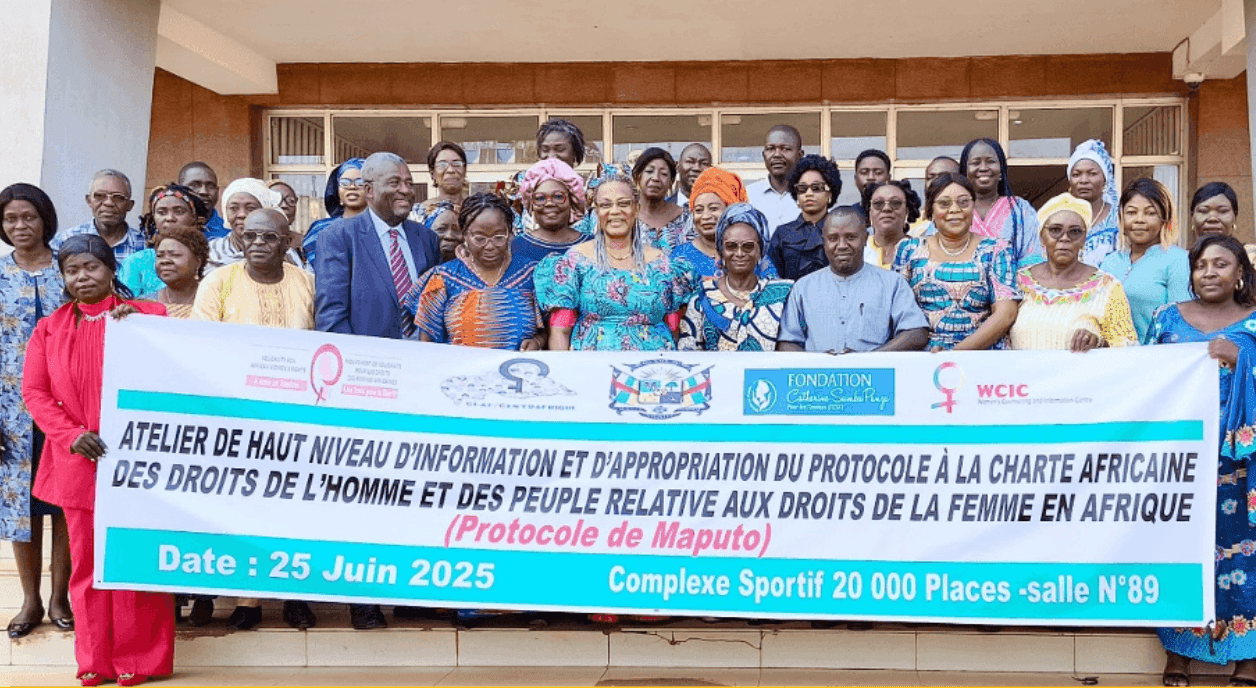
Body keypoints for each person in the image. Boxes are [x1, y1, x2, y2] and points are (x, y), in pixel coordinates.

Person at [22, 234, 172, 687]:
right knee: (86, 565)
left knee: (134, 561)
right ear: (63, 278)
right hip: (78, 461)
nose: (82, 277)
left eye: (91, 267)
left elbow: (174, 372)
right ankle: (93, 659)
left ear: (111, 270)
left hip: (138, 461)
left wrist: (140, 328)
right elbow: (35, 393)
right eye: (72, 271)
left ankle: (139, 659)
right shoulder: (49, 328)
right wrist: (72, 436)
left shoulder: (149, 316)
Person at [1148, 234, 1256, 687]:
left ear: (1240, 273)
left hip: (1241, 466)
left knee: (1247, 558)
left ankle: (1248, 657)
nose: (1209, 272)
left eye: (1221, 264)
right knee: (1179, 550)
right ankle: (1179, 652)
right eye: (1200, 265)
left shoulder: (1254, 323)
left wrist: (1242, 358)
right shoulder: (1166, 319)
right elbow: (1141, 379)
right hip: (1181, 463)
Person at [0, 184, 71, 640]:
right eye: (10, 219)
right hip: (11, 411)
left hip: (67, 405)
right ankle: (31, 600)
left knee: (65, 502)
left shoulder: (70, 264)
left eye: (28, 217)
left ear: (45, 218)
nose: (20, 226)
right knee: (19, 505)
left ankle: (62, 596)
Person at [535, 173, 688, 351]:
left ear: (636, 209)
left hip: (653, 364)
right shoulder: (575, 260)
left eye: (623, 204)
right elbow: (560, 330)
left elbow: (673, 327)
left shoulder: (661, 263)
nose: (615, 211)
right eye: (606, 205)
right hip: (591, 363)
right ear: (597, 212)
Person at [314, 151, 441, 347]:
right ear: (369, 190)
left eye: (409, 183)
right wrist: (356, 359)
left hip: (422, 357)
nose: (405, 190)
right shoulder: (338, 237)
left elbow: (436, 306)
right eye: (394, 183)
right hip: (367, 359)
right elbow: (332, 316)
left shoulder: (426, 238)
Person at [893, 172, 1020, 351]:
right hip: (923, 358)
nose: (954, 209)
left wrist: (955, 354)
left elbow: (1006, 314)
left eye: (963, 202)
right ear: (930, 210)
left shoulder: (996, 249)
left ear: (973, 207)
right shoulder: (908, 250)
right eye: (944, 204)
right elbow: (896, 311)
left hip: (982, 356)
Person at [778, 207, 928, 353]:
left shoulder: (892, 283)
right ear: (824, 242)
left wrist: (867, 360)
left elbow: (916, 332)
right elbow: (786, 343)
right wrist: (819, 363)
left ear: (865, 239)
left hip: (875, 370)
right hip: (819, 371)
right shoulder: (803, 288)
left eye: (851, 237)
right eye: (833, 238)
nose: (842, 246)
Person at [407, 193, 541, 350]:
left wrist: (537, 342)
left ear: (509, 233)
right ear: (464, 234)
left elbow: (550, 328)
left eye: (499, 237)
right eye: (479, 238)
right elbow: (427, 341)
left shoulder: (531, 273)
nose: (490, 246)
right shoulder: (444, 278)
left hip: (518, 365)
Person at [1008, 193, 1137, 351]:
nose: (1064, 238)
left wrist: (1099, 343)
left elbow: (1128, 350)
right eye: (1055, 230)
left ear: (1084, 239)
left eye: (1075, 232)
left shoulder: (1108, 287)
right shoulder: (1016, 283)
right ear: (1042, 236)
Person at [677, 203, 793, 351]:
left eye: (748, 246)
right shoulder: (701, 297)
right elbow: (688, 351)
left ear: (760, 251)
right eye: (731, 246)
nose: (739, 253)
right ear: (721, 251)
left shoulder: (784, 294)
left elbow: (793, 345)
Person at [1099, 178, 1191, 341]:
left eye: (1150, 213)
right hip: (1112, 354)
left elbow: (1180, 323)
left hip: (1158, 353)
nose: (1139, 220)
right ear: (1121, 217)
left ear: (1164, 218)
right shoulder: (1109, 262)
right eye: (1131, 212)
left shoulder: (1178, 260)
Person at [195, 210, 316, 329]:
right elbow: (204, 335)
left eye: (270, 237)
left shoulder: (308, 283)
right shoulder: (217, 282)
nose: (258, 242)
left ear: (287, 243)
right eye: (250, 236)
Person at [672, 168, 777, 296]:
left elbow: (773, 295)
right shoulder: (681, 256)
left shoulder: (753, 253)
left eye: (713, 208)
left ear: (731, 210)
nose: (705, 216)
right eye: (698, 210)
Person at [117, 184, 212, 304]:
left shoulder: (213, 257)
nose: (170, 218)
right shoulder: (135, 262)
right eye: (162, 212)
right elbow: (124, 305)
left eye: (179, 211)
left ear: (194, 217)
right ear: (153, 218)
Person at [960, 138, 1042, 269]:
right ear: (965, 171)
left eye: (991, 162)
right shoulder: (952, 209)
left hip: (1014, 281)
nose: (983, 168)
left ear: (1001, 170)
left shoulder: (1021, 209)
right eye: (975, 163)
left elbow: (1033, 260)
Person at [768, 154, 842, 281]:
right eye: (802, 189)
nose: (809, 194)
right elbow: (773, 278)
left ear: (830, 193)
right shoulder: (782, 233)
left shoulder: (841, 230)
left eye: (816, 188)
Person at [207, 178, 305, 271]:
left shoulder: (284, 254)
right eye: (234, 208)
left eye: (251, 209)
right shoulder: (210, 252)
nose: (242, 214)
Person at [51, 170, 146, 263]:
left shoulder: (145, 245)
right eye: (100, 196)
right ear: (89, 200)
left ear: (130, 205)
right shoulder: (63, 241)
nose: (109, 203)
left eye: (118, 197)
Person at [512, 158, 590, 265]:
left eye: (558, 196)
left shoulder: (591, 246)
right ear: (531, 204)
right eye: (540, 198)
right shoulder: (515, 248)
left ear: (572, 201)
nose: (549, 204)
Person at [303, 158, 366, 267]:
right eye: (345, 182)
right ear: (337, 191)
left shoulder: (382, 229)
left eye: (360, 182)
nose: (352, 187)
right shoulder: (320, 230)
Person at [1067, 139, 1119, 267]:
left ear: (1105, 179)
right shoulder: (1058, 218)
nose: (1083, 180)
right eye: (1076, 174)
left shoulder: (1120, 219)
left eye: (1092, 174)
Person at [143, 224, 210, 319]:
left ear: (198, 262)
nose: (164, 261)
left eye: (175, 255)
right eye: (160, 256)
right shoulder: (145, 304)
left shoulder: (214, 302)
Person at [747, 125, 805, 235]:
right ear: (763, 155)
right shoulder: (747, 196)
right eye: (770, 149)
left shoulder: (811, 195)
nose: (777, 154)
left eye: (785, 149)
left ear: (800, 155)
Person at [633, 147, 691, 250]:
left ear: (671, 182)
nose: (656, 178)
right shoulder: (625, 217)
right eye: (649, 171)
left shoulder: (686, 219)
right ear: (638, 176)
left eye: (664, 174)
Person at [862, 180, 921, 269]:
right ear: (870, 212)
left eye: (895, 203)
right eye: (878, 203)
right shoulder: (858, 250)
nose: (886, 208)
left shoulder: (921, 251)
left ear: (907, 211)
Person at [409, 142, 468, 226]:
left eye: (457, 164)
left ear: (465, 171)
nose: (451, 170)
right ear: (433, 173)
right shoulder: (420, 213)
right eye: (442, 164)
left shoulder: (476, 210)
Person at [911, 156, 960, 237]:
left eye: (944, 177)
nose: (935, 182)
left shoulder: (972, 225)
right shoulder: (914, 231)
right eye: (931, 178)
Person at [179, 161, 228, 239]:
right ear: (178, 189)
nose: (204, 192)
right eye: (194, 185)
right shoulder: (166, 228)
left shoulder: (229, 233)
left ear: (217, 191)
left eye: (210, 186)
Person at [673, 143, 713, 207]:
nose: (697, 168)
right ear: (678, 167)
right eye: (690, 162)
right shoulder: (661, 208)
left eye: (704, 163)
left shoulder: (723, 208)